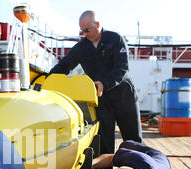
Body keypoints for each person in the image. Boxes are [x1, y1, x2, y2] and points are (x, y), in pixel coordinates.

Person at [47, 10, 143, 159]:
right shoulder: (81, 47)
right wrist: (47, 79)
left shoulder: (115, 39)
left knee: (133, 139)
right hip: (101, 98)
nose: (84, 33)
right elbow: (64, 65)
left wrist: (104, 83)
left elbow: (122, 67)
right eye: (81, 30)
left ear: (97, 25)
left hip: (123, 95)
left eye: (86, 29)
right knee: (104, 140)